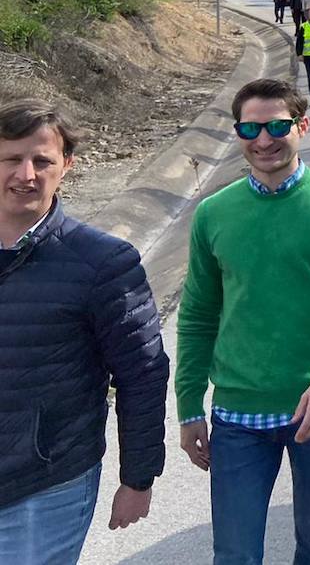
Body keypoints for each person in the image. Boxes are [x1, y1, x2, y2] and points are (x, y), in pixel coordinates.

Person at [177, 78, 310, 565]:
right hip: (238, 416)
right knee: (234, 552)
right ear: (238, 132)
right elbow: (198, 314)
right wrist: (188, 406)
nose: (263, 139)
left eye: (276, 125)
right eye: (250, 127)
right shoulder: (213, 214)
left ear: (302, 126)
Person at [0, 99, 168, 563]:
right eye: (11, 159)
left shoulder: (103, 262)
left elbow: (143, 373)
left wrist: (138, 478)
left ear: (67, 165)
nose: (26, 174)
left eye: (42, 161)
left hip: (44, 486)